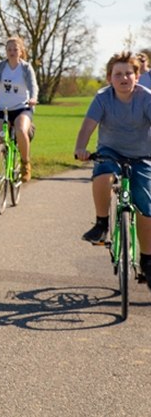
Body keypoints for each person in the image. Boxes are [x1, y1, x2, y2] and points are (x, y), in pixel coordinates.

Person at [74, 51, 151, 286]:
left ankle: (147, 261)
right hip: (110, 151)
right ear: (110, 78)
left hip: (142, 156)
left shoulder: (146, 98)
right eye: (118, 74)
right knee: (104, 174)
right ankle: (101, 223)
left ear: (137, 76)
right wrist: (81, 148)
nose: (124, 78)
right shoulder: (103, 98)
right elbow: (88, 125)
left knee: (147, 208)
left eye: (129, 73)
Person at [0, 36, 38, 186]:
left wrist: (33, 98)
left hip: (22, 108)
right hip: (2, 110)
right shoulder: (1, 67)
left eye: (15, 49)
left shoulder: (25, 68)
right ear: (6, 51)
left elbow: (33, 86)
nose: (12, 52)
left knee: (20, 130)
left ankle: (25, 164)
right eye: (9, 49)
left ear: (21, 51)